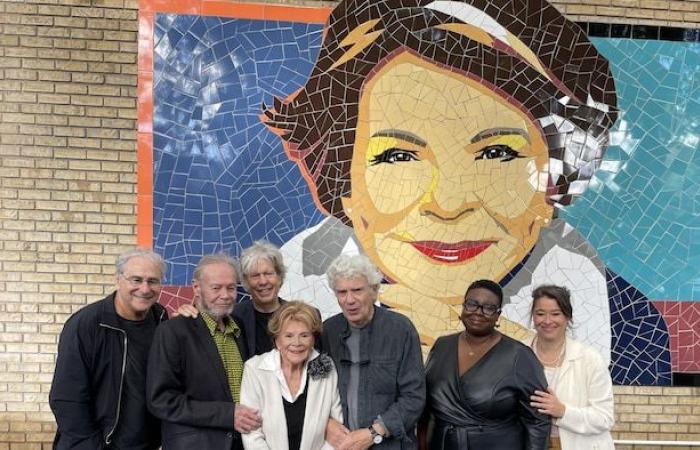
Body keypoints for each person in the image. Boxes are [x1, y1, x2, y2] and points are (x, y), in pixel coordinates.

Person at [265, 0, 671, 383]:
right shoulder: (278, 302)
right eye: (397, 157)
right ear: (343, 181)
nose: (449, 204)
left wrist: (514, 353)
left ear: (556, 177)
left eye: (496, 152)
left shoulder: (628, 326)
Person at [49, 247, 168, 449]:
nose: (145, 289)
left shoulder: (161, 319)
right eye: (136, 280)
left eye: (153, 281)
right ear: (118, 279)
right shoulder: (86, 325)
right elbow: (67, 399)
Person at [147, 253, 261, 449]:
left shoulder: (239, 329)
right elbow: (161, 400)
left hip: (243, 443)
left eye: (231, 288)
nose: (225, 295)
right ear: (196, 288)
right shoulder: (172, 331)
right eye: (216, 288)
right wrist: (227, 414)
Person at [422, 279, 550, 449]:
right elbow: (425, 406)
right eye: (472, 304)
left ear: (498, 315)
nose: (478, 312)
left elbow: (538, 421)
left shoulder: (520, 356)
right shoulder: (441, 346)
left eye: (489, 308)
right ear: (463, 307)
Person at [321, 254, 425, 449]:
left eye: (357, 290)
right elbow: (314, 386)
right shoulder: (327, 331)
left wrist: (374, 432)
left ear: (374, 291)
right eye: (342, 292)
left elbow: (414, 396)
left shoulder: (401, 329)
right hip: (339, 445)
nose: (349, 300)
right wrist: (326, 422)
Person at [177, 241, 313, 357]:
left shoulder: (304, 316)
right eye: (255, 275)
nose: (263, 281)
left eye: (268, 273)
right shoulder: (230, 317)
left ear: (280, 277)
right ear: (246, 282)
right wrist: (188, 311)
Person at [240, 301, 342, 449]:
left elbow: (336, 427)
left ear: (313, 339)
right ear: (277, 340)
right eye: (288, 336)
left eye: (304, 335)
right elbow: (252, 433)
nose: (297, 343)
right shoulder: (255, 369)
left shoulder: (326, 367)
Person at [527, 285, 615, 450]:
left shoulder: (590, 359)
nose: (547, 321)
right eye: (540, 314)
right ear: (533, 317)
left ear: (568, 316)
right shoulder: (518, 355)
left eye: (555, 314)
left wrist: (562, 411)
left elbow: (605, 418)